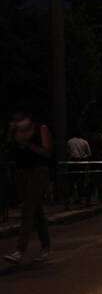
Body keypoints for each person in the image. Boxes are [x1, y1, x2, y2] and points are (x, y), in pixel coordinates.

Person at [4, 108, 54, 263]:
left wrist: (29, 145)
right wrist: (11, 133)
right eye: (15, 119)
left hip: (38, 173)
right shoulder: (15, 132)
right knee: (36, 212)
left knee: (27, 210)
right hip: (21, 174)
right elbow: (7, 148)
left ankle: (20, 250)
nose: (18, 121)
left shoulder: (41, 129)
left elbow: (47, 152)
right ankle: (46, 248)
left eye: (20, 118)